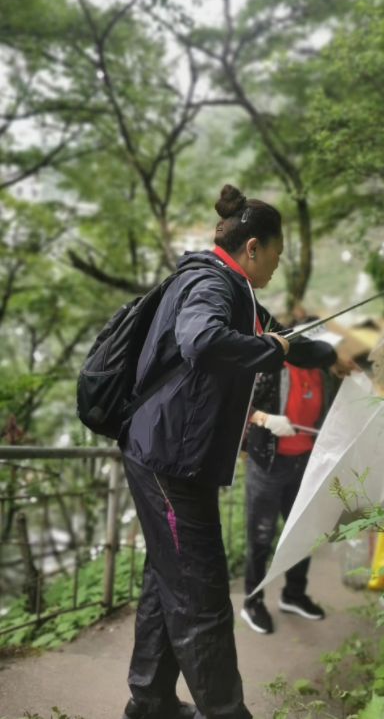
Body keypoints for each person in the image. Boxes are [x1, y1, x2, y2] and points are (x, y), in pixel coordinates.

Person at [118, 185, 358, 719]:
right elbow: (201, 341)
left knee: (167, 576)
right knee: (201, 593)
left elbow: (280, 336)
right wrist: (276, 351)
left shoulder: (236, 290)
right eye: (276, 253)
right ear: (253, 247)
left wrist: (327, 356)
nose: (277, 263)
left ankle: (150, 701)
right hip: (166, 459)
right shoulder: (209, 283)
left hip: (175, 454)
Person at [241, 321, 341, 635]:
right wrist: (263, 418)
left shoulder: (324, 372)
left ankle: (294, 594)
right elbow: (235, 397)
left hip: (304, 463)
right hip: (268, 464)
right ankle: (252, 602)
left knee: (302, 532)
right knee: (261, 534)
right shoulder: (273, 363)